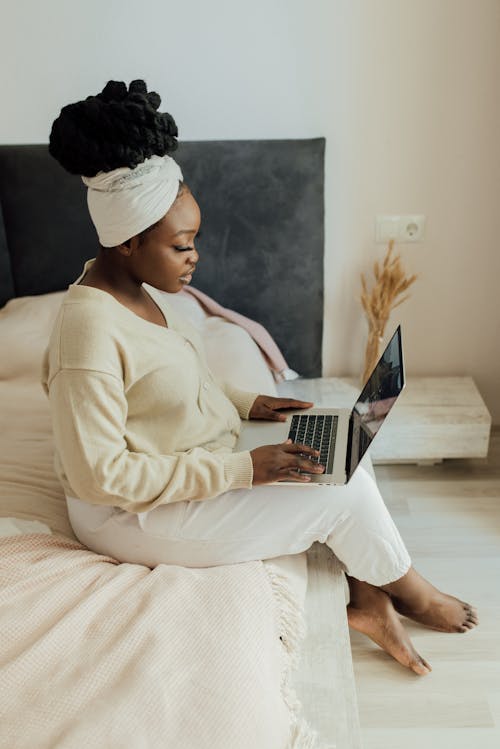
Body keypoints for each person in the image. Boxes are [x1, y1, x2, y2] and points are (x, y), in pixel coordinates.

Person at [42, 79, 478, 677]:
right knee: (343, 491)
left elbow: (165, 385)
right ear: (128, 242)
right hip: (130, 518)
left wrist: (250, 402)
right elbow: (100, 477)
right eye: (182, 245)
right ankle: (413, 592)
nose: (195, 257)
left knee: (340, 439)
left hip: (186, 460)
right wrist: (247, 468)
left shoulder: (138, 293)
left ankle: (369, 598)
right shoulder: (86, 332)